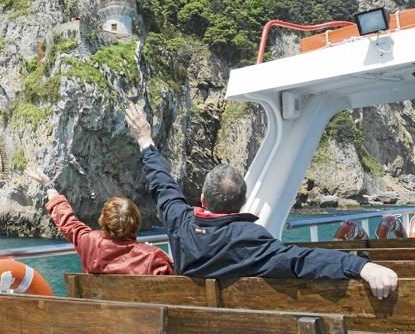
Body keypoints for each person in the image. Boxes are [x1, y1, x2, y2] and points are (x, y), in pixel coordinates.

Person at [125, 103, 398, 300]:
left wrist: (145, 140)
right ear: (242, 202)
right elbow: (300, 260)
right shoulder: (250, 238)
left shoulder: (180, 223)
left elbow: (163, 185)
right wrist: (361, 265)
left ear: (204, 199)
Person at [25, 168, 174, 275]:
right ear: (136, 223)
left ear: (103, 220)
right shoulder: (153, 257)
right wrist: (150, 251)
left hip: (98, 310)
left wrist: (48, 185)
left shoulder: (90, 242)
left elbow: (66, 221)